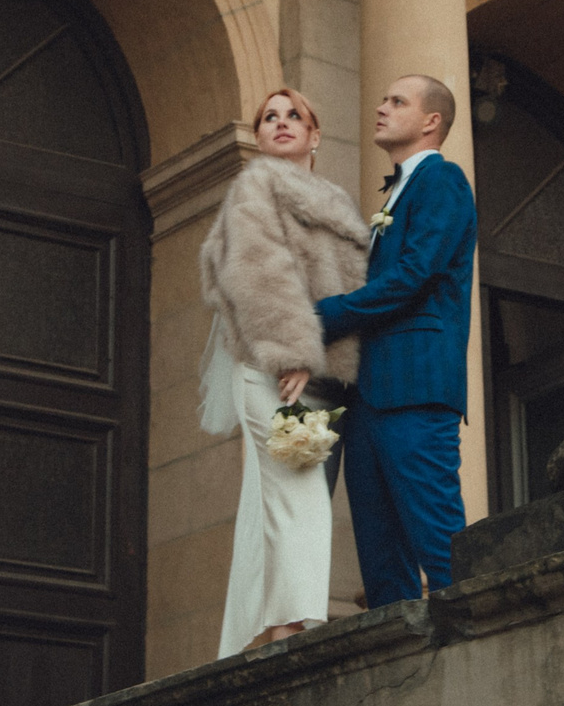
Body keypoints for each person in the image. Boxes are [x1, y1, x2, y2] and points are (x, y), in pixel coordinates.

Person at [197, 88, 369, 655]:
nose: (282, 123)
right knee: (300, 494)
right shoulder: (255, 187)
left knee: (269, 503)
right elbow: (256, 271)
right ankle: (293, 626)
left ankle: (264, 629)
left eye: (294, 115)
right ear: (260, 138)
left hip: (325, 377)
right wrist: (290, 351)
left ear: (316, 136)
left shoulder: (338, 202)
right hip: (277, 370)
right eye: (270, 117)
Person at [315, 75, 478, 608]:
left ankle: (477, 635)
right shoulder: (397, 190)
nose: (381, 108)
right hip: (368, 395)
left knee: (440, 543)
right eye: (383, 99)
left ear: (431, 121)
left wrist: (327, 316)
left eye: (397, 101)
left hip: (415, 387)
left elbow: (415, 276)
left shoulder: (443, 181)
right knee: (381, 557)